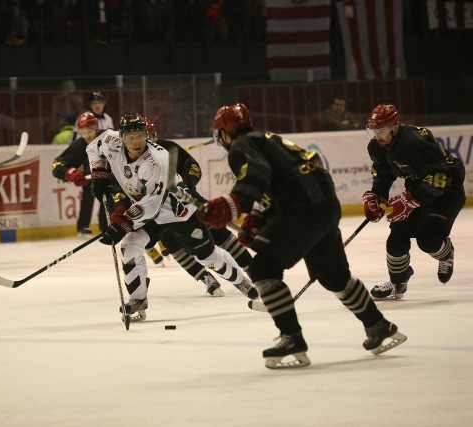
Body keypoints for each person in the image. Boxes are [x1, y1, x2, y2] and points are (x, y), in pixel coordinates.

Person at [198, 103, 406, 369]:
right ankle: (379, 326)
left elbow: (257, 175)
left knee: (263, 268)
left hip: (303, 211)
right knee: (335, 277)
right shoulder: (266, 139)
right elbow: (285, 180)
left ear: (225, 132)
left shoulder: (241, 145)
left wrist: (232, 205)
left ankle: (292, 338)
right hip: (324, 206)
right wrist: (260, 217)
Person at [87, 113, 257, 322]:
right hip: (149, 215)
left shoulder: (157, 161)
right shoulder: (110, 141)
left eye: (140, 135)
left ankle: (242, 281)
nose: (136, 141)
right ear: (121, 137)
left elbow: (152, 204)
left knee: (207, 256)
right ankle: (138, 299)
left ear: (147, 135)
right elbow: (93, 148)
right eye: (130, 137)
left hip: (177, 211)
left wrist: (123, 223)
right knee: (129, 245)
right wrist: (99, 174)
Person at [362, 104, 465, 300]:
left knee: (428, 240)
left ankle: (446, 253)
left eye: (381, 131)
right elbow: (383, 174)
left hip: (447, 192)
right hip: (420, 186)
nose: (377, 136)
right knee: (396, 237)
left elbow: (442, 178)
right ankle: (397, 283)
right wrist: (376, 196)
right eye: (373, 130)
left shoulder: (413, 144)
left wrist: (412, 200)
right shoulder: (376, 146)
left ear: (394, 127)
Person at [144, 117, 254, 297]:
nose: (144, 141)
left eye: (147, 136)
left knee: (215, 228)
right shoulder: (129, 160)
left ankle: (252, 268)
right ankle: (205, 277)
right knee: (172, 242)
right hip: (160, 212)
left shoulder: (168, 148)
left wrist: (180, 183)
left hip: (187, 199)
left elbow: (194, 168)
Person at [52, 113, 108, 237]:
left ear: (96, 127)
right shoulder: (79, 145)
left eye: (90, 130)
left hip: (115, 179)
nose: (87, 135)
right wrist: (70, 173)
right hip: (93, 177)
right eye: (83, 132)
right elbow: (56, 165)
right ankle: (84, 226)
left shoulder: (108, 137)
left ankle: (106, 226)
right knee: (89, 193)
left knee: (110, 198)